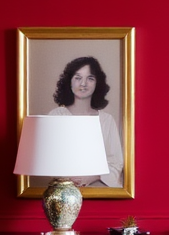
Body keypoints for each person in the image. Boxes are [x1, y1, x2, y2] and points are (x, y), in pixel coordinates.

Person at [48, 56, 123, 187]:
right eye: (78, 78)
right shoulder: (56, 116)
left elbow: (115, 162)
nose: (83, 83)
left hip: (100, 190)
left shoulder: (106, 120)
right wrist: (73, 178)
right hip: (64, 189)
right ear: (69, 81)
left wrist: (92, 177)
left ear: (97, 83)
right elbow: (48, 159)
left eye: (90, 78)